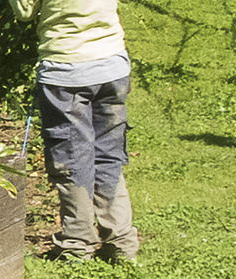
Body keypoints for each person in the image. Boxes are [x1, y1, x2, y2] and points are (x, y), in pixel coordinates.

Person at [8, 0, 140, 263]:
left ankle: (76, 244)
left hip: (66, 72)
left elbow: (24, 12)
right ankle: (122, 243)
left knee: (71, 160)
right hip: (112, 66)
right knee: (109, 156)